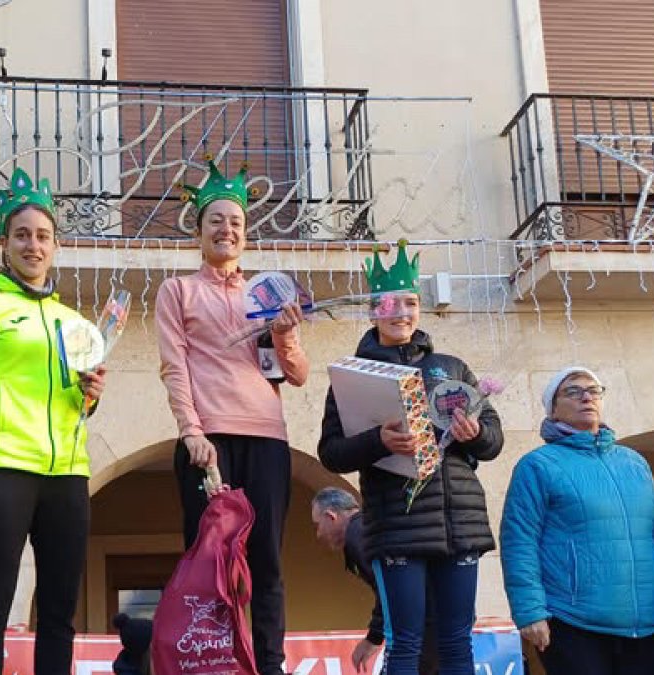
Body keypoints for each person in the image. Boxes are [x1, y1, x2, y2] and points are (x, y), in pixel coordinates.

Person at [0, 168, 107, 675]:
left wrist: (91, 396)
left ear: (56, 246)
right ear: (4, 243)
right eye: (23, 235)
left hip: (68, 472)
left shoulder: (75, 321)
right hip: (3, 464)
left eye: (43, 236)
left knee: (58, 613)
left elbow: (78, 404)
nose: (33, 245)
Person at [317, 241, 502, 675]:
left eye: (411, 302)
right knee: (405, 643)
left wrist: (474, 434)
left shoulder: (452, 367)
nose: (402, 312)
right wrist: (378, 441)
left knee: (457, 643)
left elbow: (493, 440)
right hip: (397, 524)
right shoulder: (350, 375)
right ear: (372, 312)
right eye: (390, 303)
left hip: (459, 521)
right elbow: (331, 452)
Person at [155, 158, 307, 675]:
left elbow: (297, 373)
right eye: (216, 220)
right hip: (209, 442)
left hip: (267, 437)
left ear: (246, 233)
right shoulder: (178, 290)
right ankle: (214, 664)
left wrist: (286, 333)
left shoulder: (266, 293)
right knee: (210, 565)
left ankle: (270, 665)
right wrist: (191, 432)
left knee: (267, 561)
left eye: (236, 222)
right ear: (198, 231)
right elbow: (174, 366)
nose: (227, 229)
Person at [500, 366, 654, 675]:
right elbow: (519, 541)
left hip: (647, 624)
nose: (586, 397)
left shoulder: (634, 463)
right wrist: (530, 612)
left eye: (594, 390)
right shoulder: (537, 465)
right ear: (553, 410)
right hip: (573, 621)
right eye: (573, 391)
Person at [311, 487, 438, 675]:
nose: (318, 534)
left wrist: (373, 637)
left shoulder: (358, 534)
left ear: (331, 516)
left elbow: (388, 589)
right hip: (434, 619)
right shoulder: (365, 529)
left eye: (317, 525)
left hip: (422, 624)